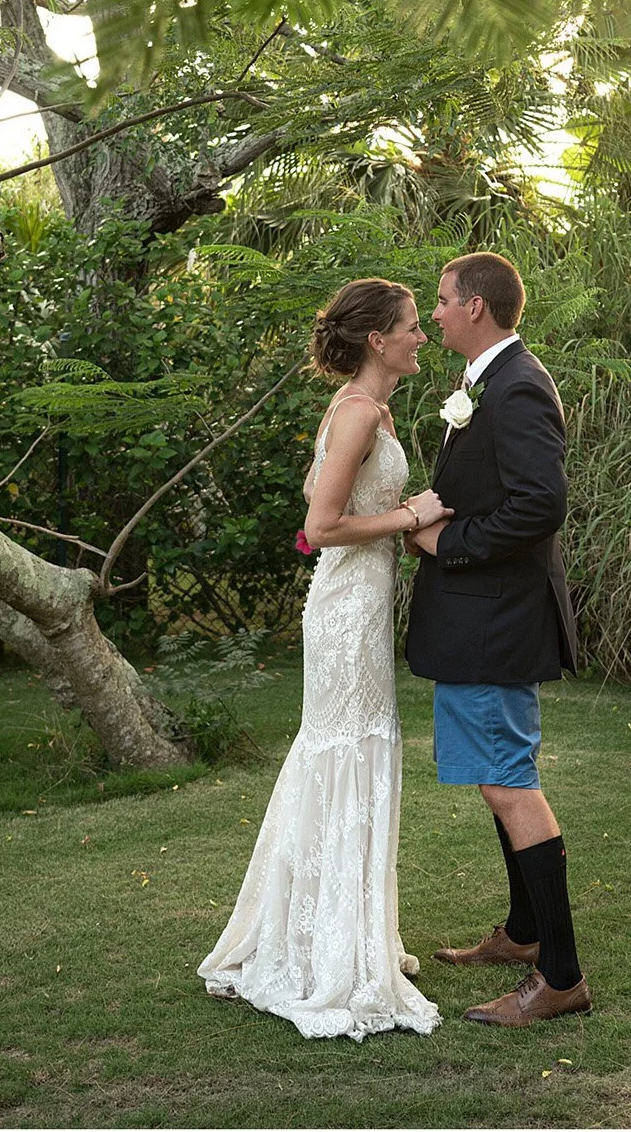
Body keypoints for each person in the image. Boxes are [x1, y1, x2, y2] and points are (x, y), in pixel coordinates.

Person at [198, 277, 446, 1040]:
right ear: (378, 339)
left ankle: (346, 931)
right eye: (410, 326)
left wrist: (406, 524)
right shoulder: (358, 414)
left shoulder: (368, 410)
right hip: (344, 611)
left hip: (362, 606)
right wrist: (412, 513)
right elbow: (322, 523)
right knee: (343, 752)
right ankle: (319, 948)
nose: (420, 337)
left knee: (356, 752)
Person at [406, 251, 590, 1026]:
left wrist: (451, 544)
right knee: (496, 776)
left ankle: (560, 977)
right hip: (480, 619)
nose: (436, 314)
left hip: (497, 618)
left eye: (443, 302)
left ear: (475, 307)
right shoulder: (484, 383)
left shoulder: (515, 387)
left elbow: (541, 504)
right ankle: (521, 934)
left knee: (511, 782)